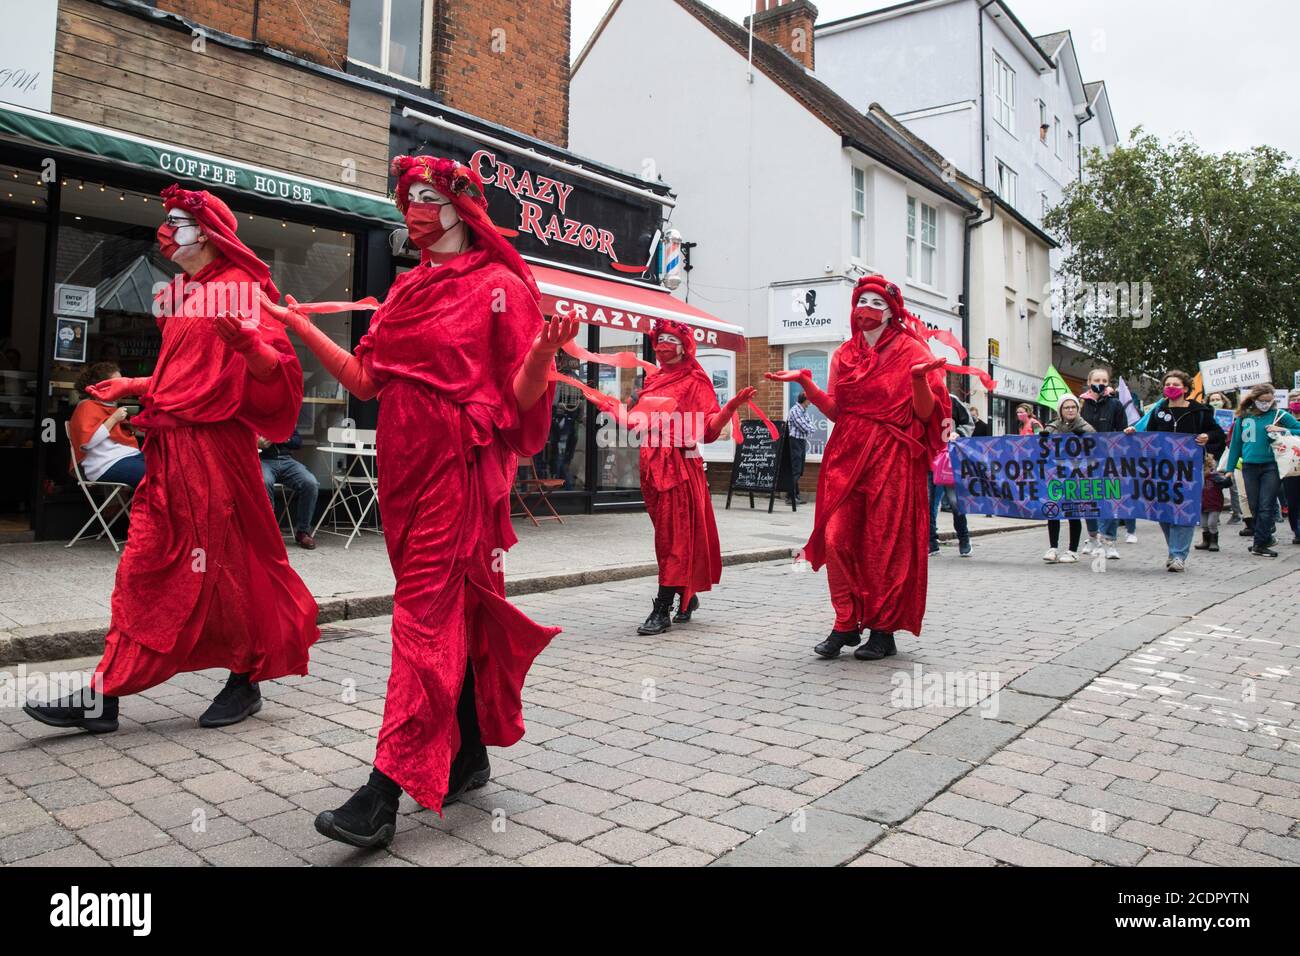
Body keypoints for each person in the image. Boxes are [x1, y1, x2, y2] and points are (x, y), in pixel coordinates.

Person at [263, 154, 577, 849]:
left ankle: (383, 792)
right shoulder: (406, 294)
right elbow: (366, 381)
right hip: (403, 478)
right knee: (443, 613)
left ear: (463, 204)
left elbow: (519, 404)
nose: (414, 209)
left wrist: (539, 360)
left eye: (428, 197)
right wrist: (301, 326)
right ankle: (467, 754)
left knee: (422, 619)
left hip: (457, 473)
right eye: (407, 198)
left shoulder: (501, 286)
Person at [25, 184, 318, 733]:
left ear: (208, 232)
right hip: (172, 450)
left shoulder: (243, 289)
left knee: (221, 567)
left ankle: (241, 678)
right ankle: (107, 693)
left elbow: (278, 375)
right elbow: (184, 375)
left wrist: (252, 349)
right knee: (150, 562)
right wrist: (133, 382)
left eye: (178, 222)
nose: (166, 233)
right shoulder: (186, 291)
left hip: (214, 453)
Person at [766, 275, 951, 662]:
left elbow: (926, 413)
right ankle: (846, 622)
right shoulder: (845, 355)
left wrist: (918, 379)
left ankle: (883, 630)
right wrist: (808, 385)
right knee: (837, 538)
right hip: (847, 455)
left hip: (893, 458)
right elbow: (837, 411)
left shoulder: (910, 349)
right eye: (861, 300)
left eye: (875, 302)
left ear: (892, 311)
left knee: (884, 544)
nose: (865, 309)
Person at [598, 320, 754, 635]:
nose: (664, 344)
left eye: (671, 339)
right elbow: (635, 424)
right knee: (666, 536)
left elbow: (708, 430)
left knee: (673, 538)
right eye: (660, 338)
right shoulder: (651, 380)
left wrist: (729, 410)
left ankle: (663, 606)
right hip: (651, 467)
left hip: (679, 467)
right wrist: (614, 408)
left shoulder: (696, 380)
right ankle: (686, 592)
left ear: (685, 346)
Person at [1126, 369, 1225, 571]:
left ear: (1186, 389)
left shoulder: (1200, 411)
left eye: (1176, 385)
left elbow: (1217, 433)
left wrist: (1207, 436)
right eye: (1168, 384)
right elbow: (1147, 435)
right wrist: (1132, 433)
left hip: (1188, 469)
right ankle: (1173, 549)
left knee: (1184, 510)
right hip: (1162, 470)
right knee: (1164, 511)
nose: (1171, 388)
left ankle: (1179, 555)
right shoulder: (1158, 410)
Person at [1224, 383, 1300, 557]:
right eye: (1262, 401)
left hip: (1271, 466)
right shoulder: (1244, 417)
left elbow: (1298, 429)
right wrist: (1229, 469)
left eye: (1269, 400)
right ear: (1254, 400)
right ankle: (1265, 538)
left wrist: (1283, 430)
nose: (1265, 404)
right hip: (1249, 466)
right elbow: (1236, 444)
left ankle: (1259, 544)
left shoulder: (1279, 415)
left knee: (1266, 504)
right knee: (1254, 505)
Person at [68, 361, 145, 488]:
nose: (123, 387)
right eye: (118, 383)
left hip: (127, 457)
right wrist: (114, 419)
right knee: (157, 476)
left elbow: (119, 434)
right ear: (102, 386)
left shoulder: (109, 406)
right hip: (105, 464)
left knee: (170, 469)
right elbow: (87, 443)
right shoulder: (86, 407)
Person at [1079, 367, 1127, 560]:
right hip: (1084, 460)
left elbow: (1122, 430)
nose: (1100, 383)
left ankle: (1109, 541)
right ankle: (1092, 537)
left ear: (1109, 383)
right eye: (1097, 379)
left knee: (1110, 499)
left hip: (1109, 460)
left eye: (1104, 381)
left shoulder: (1115, 405)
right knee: (1088, 500)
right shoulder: (1081, 404)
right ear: (1089, 381)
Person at [1042, 394, 1094, 564]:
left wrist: (1085, 438)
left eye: (1073, 407)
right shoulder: (1052, 427)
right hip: (1055, 476)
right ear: (1060, 411)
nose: (1070, 410)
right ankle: (1053, 548)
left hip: (1076, 477)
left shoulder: (1086, 427)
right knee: (1053, 510)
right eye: (1067, 407)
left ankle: (1072, 550)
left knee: (1074, 512)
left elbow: (1096, 446)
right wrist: (1041, 439)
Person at [259, 432, 318, 549]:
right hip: (263, 459)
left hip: (286, 460)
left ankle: (303, 532)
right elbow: (242, 438)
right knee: (264, 482)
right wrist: (257, 443)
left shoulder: (283, 417)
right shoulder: (255, 417)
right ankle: (269, 532)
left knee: (310, 483)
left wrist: (286, 438)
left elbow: (298, 442)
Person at [928, 434, 971, 558]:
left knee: (955, 502)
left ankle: (964, 539)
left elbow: (968, 423)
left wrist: (958, 433)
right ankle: (932, 543)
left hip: (948, 460)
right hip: (929, 459)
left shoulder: (954, 413)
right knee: (928, 504)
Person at [1208, 392, 1243, 523]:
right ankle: (1213, 514)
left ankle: (1236, 513)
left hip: (1228, 453)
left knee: (1232, 485)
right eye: (1212, 399)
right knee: (1213, 485)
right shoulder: (1207, 417)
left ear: (1224, 401)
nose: (1215, 401)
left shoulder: (1232, 416)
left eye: (1217, 399)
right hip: (1212, 455)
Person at [1194, 451, 1231, 552]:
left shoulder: (1215, 477)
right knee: (1204, 524)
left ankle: (1214, 542)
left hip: (1214, 504)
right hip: (1202, 504)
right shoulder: (1197, 478)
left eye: (1204, 469)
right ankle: (1206, 541)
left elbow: (1226, 484)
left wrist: (1227, 478)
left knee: (1212, 523)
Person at [786, 391, 813, 506]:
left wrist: (809, 427)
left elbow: (811, 425)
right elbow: (804, 427)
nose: (811, 402)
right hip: (794, 441)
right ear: (805, 400)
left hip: (800, 441)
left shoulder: (803, 411)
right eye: (809, 400)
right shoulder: (795, 410)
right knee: (795, 468)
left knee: (799, 468)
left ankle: (794, 494)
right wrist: (809, 427)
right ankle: (790, 497)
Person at [1284, 396, 1300, 545]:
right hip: (1290, 467)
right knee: (1293, 501)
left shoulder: (1285, 426)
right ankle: (1296, 529)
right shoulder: (1281, 419)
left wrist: (1287, 431)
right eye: (1294, 399)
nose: (1297, 402)